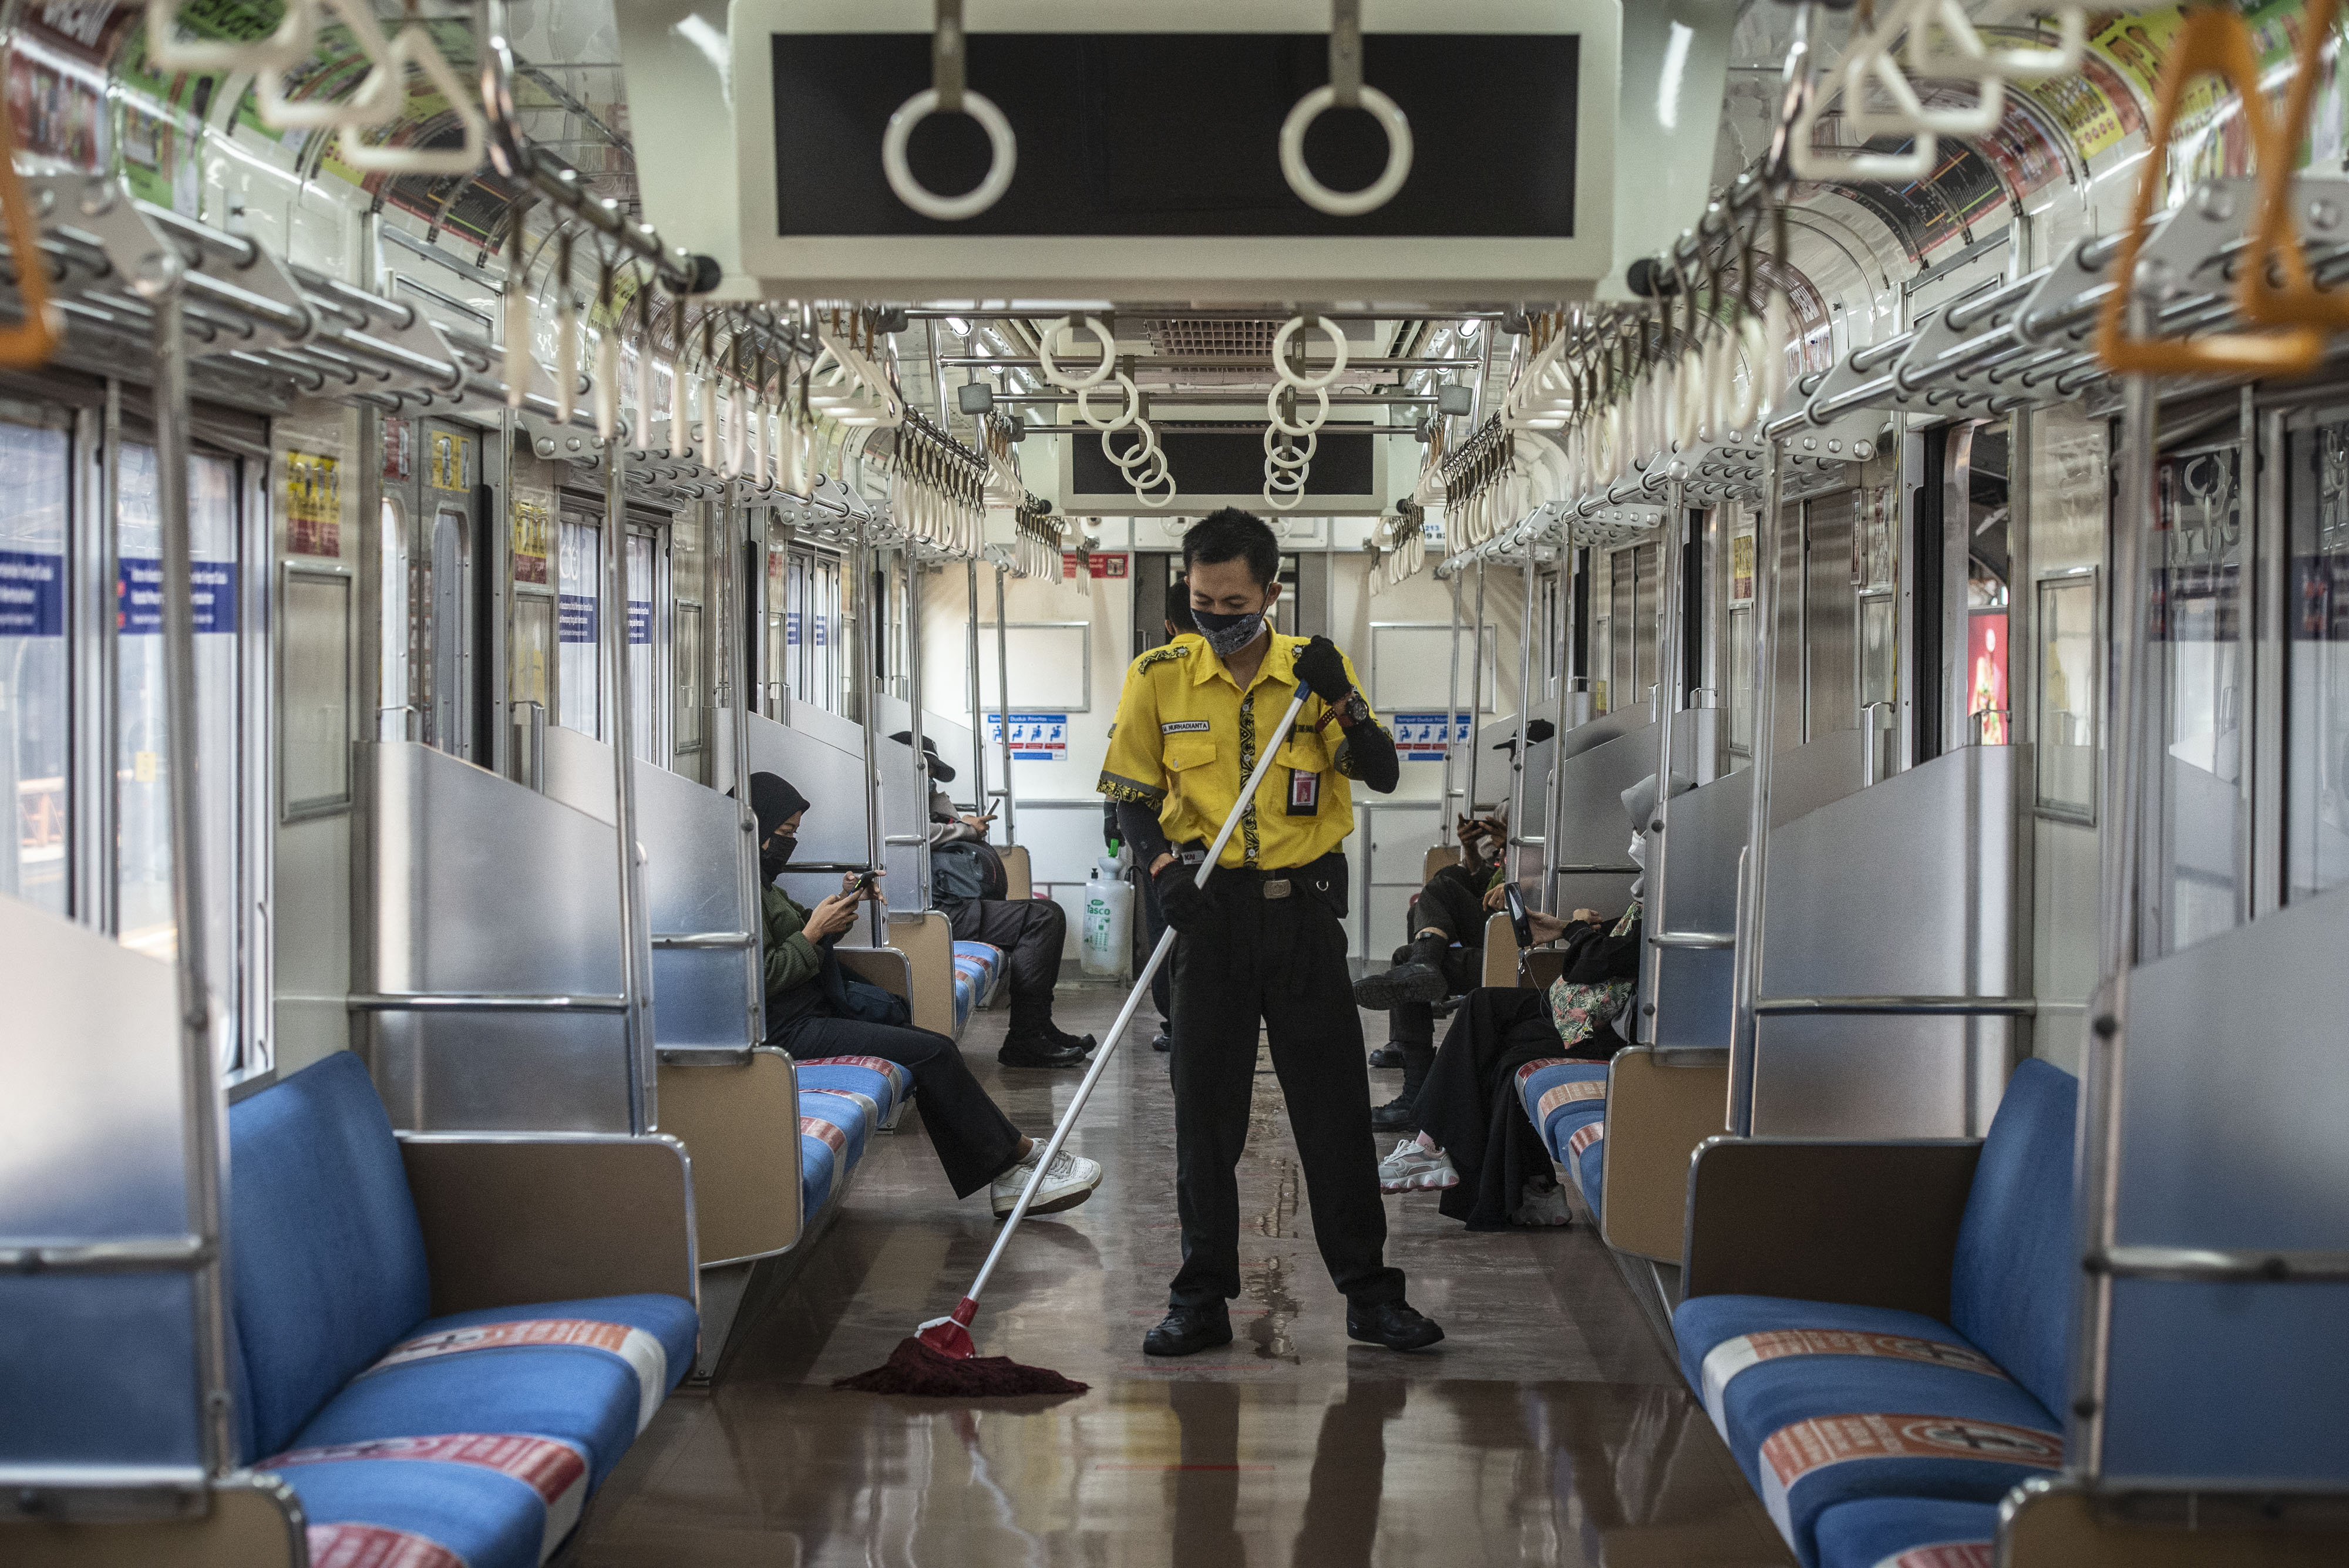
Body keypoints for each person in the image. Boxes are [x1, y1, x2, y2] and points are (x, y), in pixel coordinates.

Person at [1099, 507, 1445, 1357]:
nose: (1217, 618)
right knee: (1203, 1119)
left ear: (1271, 593)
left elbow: (1384, 773)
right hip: (1206, 919)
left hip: (1301, 921)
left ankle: (1369, 1293)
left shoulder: (1313, 673)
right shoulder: (1158, 676)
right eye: (1201, 601)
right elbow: (1129, 799)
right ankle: (1200, 1297)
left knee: (1332, 1113)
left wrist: (1343, 698)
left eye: (1234, 602)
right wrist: (1160, 873)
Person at [749, 772, 1103, 1217]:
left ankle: (1011, 1165)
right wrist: (814, 931)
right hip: (786, 1027)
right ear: (753, 829)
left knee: (910, 1031)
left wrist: (839, 906)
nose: (787, 845)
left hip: (808, 1007)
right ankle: (1015, 1161)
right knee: (933, 1051)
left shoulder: (761, 884)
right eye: (783, 834)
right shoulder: (736, 891)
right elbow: (760, 976)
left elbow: (800, 930)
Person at [1375, 776, 1662, 1230]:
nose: (1634, 842)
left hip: (1603, 1027)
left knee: (1504, 1049)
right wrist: (1570, 926)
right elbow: (1608, 940)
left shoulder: (1672, 901)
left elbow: (1595, 962)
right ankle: (1518, 1184)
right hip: (1579, 1011)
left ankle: (1443, 1148)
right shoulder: (1655, 894)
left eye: (1642, 832)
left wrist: (1577, 931)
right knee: (1483, 1010)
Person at [926, 771, 1096, 1068]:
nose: (932, 783)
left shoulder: (920, 801)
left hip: (949, 905)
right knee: (1041, 919)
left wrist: (950, 813)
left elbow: (941, 822)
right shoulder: (892, 802)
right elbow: (920, 835)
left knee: (1051, 912)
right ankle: (1025, 1039)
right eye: (927, 774)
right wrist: (965, 829)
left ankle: (1040, 1026)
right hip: (935, 913)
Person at [1352, 813, 1512, 1131]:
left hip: (1516, 949)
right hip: (1494, 935)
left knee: (1440, 888)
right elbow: (1481, 890)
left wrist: (1514, 854)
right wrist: (1472, 851)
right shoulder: (1498, 860)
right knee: (1407, 954)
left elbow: (1521, 898)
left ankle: (1415, 1094)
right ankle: (1423, 967)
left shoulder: (1538, 856)